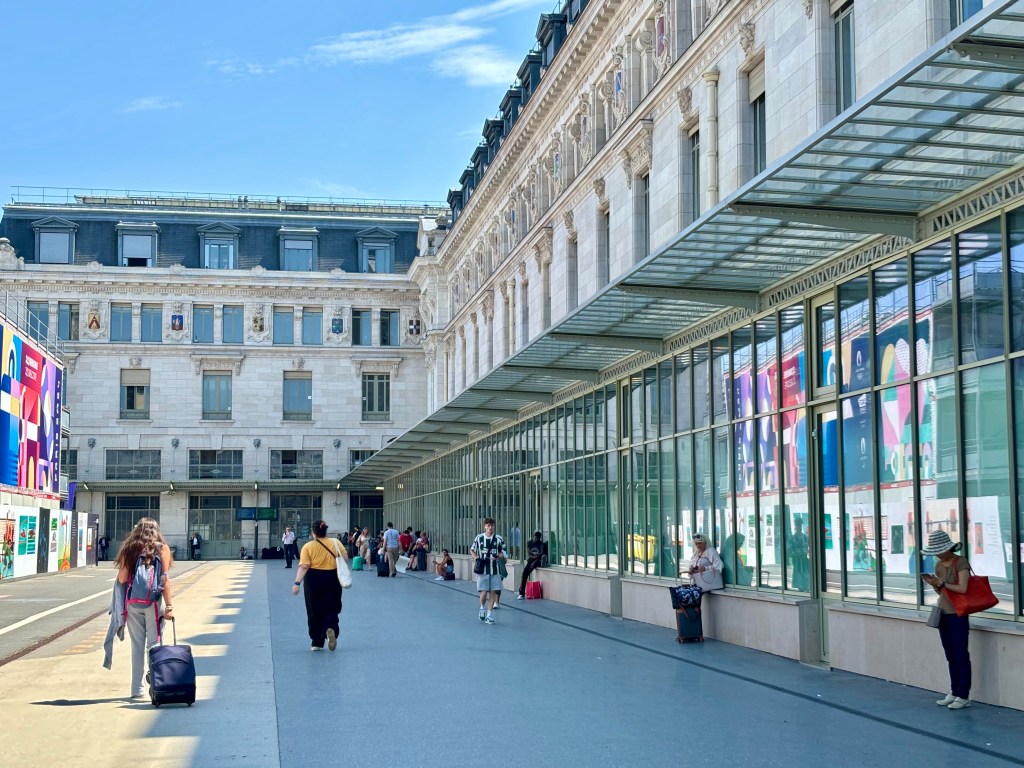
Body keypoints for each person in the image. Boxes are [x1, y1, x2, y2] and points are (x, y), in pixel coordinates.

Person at [114, 517, 173, 698]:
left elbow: (122, 579)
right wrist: (169, 606)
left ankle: (136, 690)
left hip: (133, 603)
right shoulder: (162, 549)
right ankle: (157, 683)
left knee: (137, 646)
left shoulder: (130, 549)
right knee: (154, 644)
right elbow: (164, 579)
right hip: (154, 603)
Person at [920, 529, 972, 710]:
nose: (936, 554)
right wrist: (934, 584)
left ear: (947, 548)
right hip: (943, 613)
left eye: (938, 550)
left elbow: (963, 588)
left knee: (961, 654)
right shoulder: (938, 566)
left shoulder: (961, 562)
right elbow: (942, 592)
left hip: (958, 614)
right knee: (950, 655)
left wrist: (941, 583)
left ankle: (964, 695)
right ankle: (954, 691)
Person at [291, 519, 347, 652]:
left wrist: (297, 583)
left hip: (313, 580)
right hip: (333, 578)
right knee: (332, 606)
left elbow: (304, 566)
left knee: (313, 608)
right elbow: (344, 558)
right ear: (325, 530)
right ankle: (330, 628)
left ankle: (317, 641)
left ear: (313, 532)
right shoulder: (335, 542)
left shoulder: (308, 546)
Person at [471, 518, 506, 625]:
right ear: (485, 526)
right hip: (483, 569)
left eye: (492, 525)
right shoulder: (479, 538)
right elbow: (472, 549)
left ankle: (489, 614)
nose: (490, 527)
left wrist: (499, 556)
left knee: (493, 591)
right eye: (488, 525)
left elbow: (504, 554)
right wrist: (476, 558)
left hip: (495, 570)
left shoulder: (499, 539)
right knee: (484, 591)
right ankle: (482, 607)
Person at [517, 531, 547, 600]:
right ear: (533, 536)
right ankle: (521, 593)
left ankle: (542, 562)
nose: (536, 539)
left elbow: (541, 553)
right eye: (535, 537)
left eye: (537, 538)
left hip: (538, 559)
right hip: (531, 560)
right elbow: (528, 553)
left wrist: (537, 557)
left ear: (539, 538)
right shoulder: (529, 543)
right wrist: (534, 557)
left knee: (537, 562)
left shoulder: (541, 544)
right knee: (524, 574)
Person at [788, 518, 810, 591]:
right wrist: (794, 555)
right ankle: (800, 587)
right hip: (797, 559)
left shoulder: (805, 537)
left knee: (805, 572)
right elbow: (790, 550)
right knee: (798, 572)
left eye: (800, 526)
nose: (799, 528)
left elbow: (808, 547)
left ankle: (806, 587)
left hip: (804, 559)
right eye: (797, 526)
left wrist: (806, 553)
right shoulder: (793, 538)